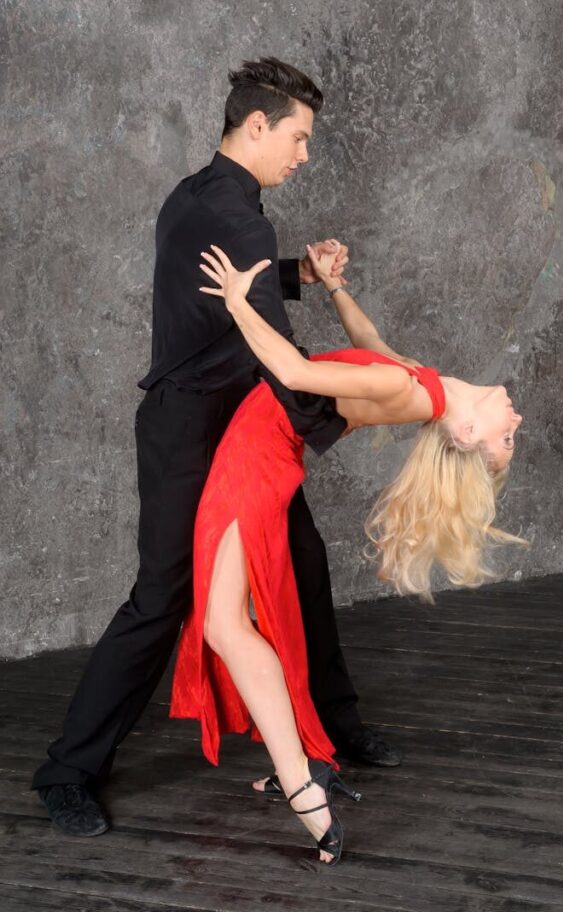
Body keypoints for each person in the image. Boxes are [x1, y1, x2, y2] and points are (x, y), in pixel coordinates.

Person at [32, 57, 400, 839]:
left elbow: (235, 291)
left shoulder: (199, 197)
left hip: (238, 428)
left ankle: (330, 733)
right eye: (298, 138)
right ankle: (66, 773)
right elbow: (276, 350)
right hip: (193, 432)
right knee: (164, 595)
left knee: (299, 565)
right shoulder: (237, 218)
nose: (304, 155)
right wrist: (362, 406)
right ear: (256, 125)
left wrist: (299, 271)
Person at [168, 243, 523, 865]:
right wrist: (333, 287)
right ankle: (301, 768)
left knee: (226, 625)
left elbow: (297, 374)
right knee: (232, 622)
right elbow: (370, 340)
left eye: (507, 437)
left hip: (255, 458)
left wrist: (235, 303)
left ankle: (304, 788)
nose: (515, 418)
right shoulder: (420, 386)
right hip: (260, 450)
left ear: (467, 436)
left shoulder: (410, 391)